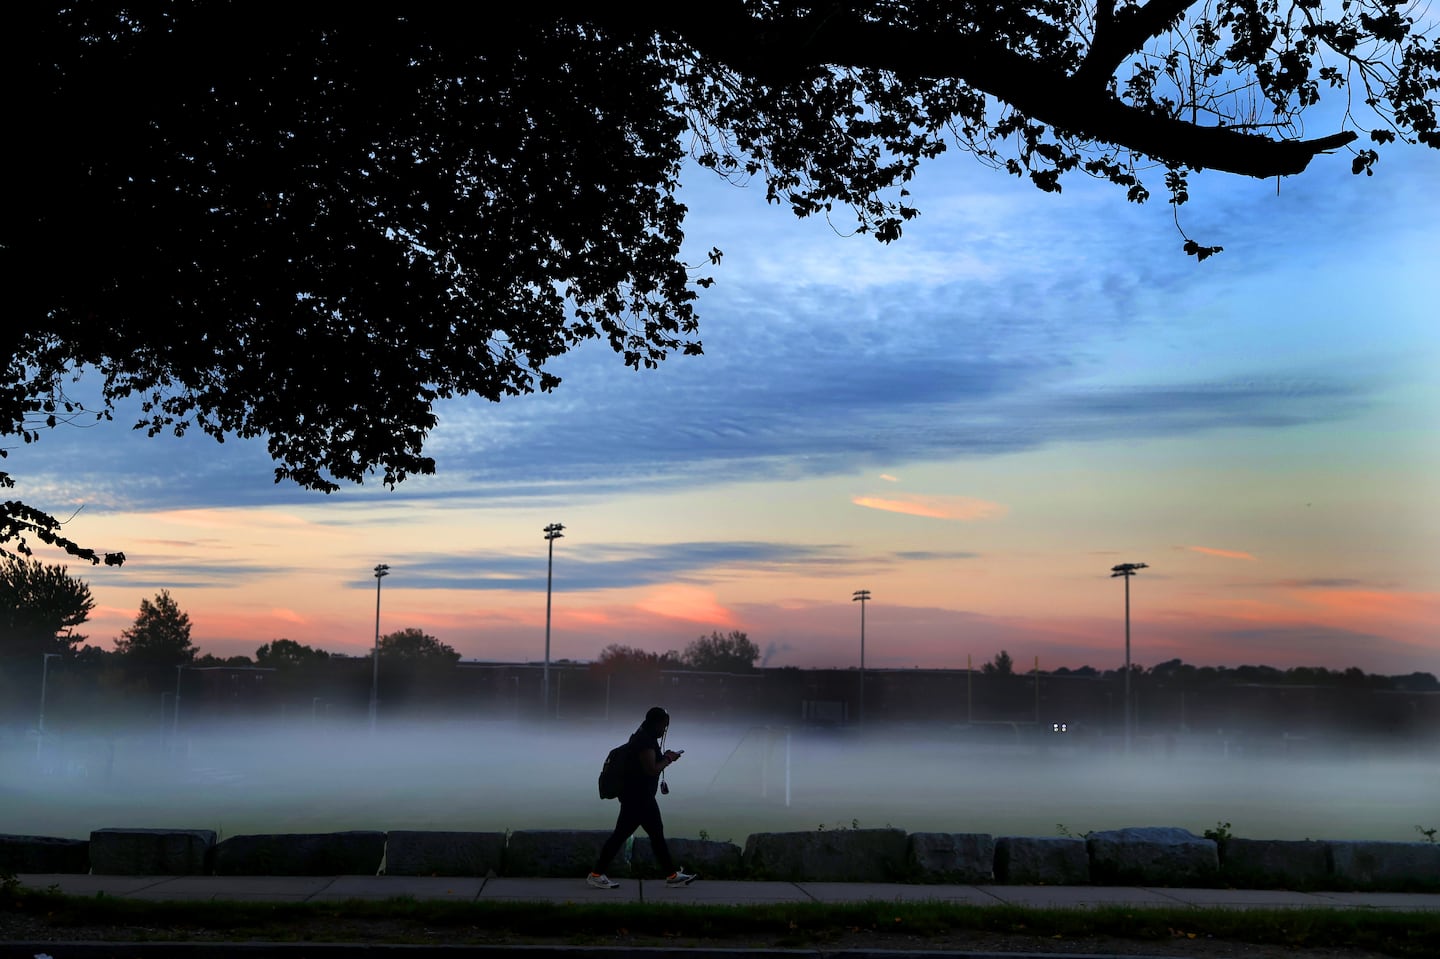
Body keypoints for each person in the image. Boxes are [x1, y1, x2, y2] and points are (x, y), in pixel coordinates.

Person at [588, 705, 696, 888]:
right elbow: (651, 769)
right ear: (656, 723)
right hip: (637, 799)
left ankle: (671, 875)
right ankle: (596, 874)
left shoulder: (642, 735)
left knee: (655, 835)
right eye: (663, 726)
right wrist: (669, 759)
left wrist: (665, 757)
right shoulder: (644, 741)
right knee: (622, 836)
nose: (664, 730)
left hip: (640, 797)